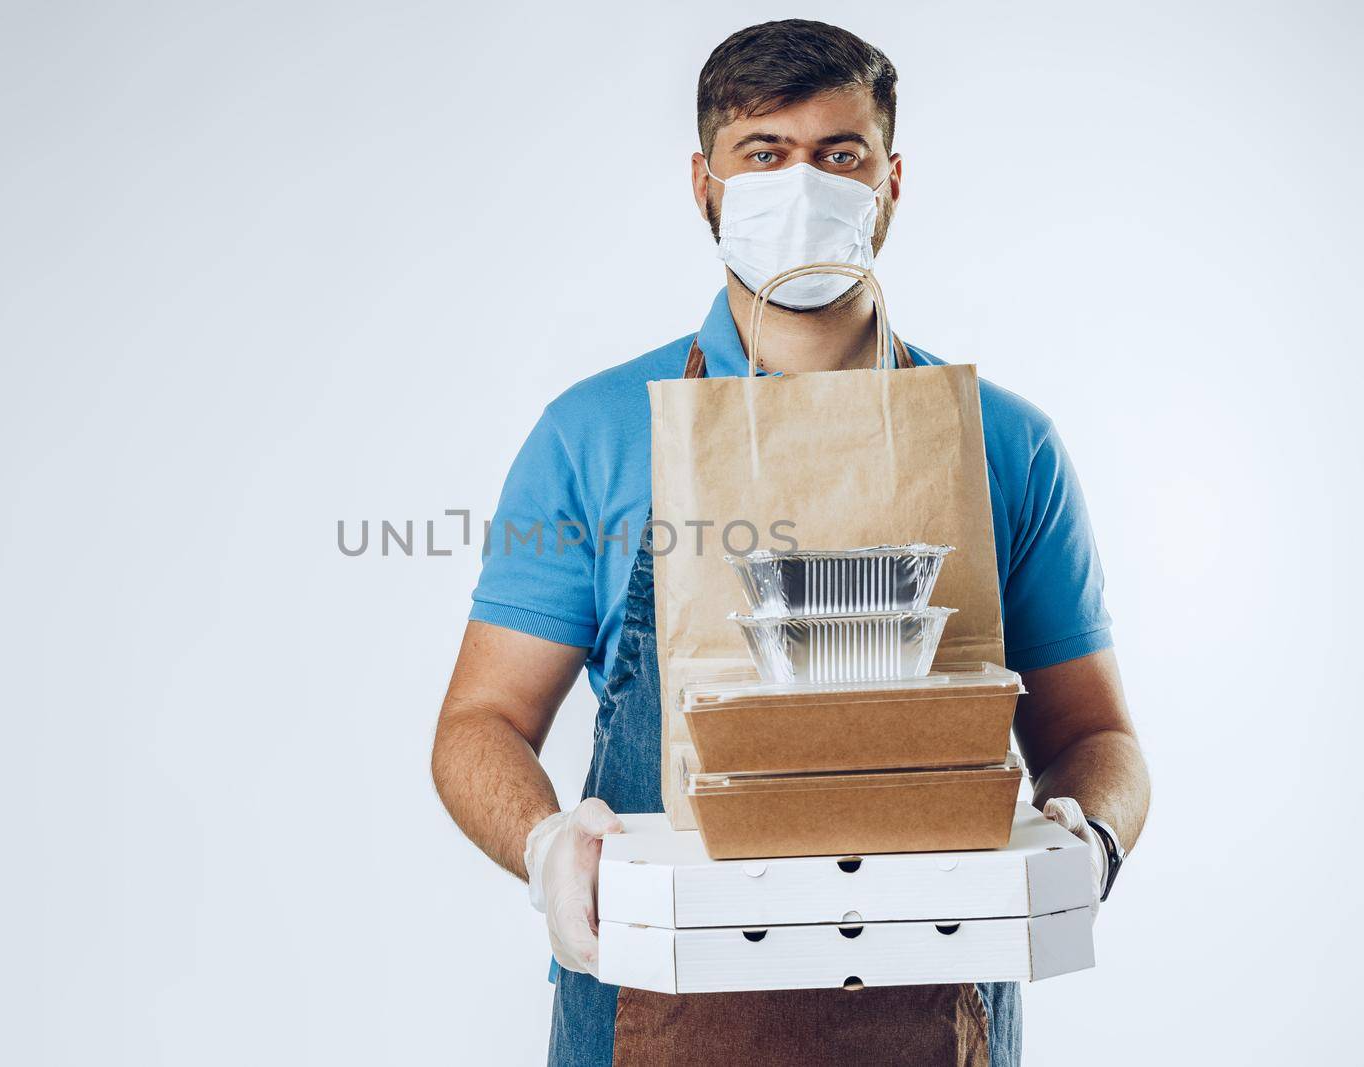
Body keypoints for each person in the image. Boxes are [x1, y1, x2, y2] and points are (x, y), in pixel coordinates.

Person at [431, 19, 1150, 1067]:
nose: (801, 184)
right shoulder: (594, 435)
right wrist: (545, 842)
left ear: (891, 181)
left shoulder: (1004, 444)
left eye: (839, 155)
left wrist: (1089, 836)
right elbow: (479, 719)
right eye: (763, 153)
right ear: (703, 181)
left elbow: (1097, 736)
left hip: (930, 991)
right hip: (656, 998)